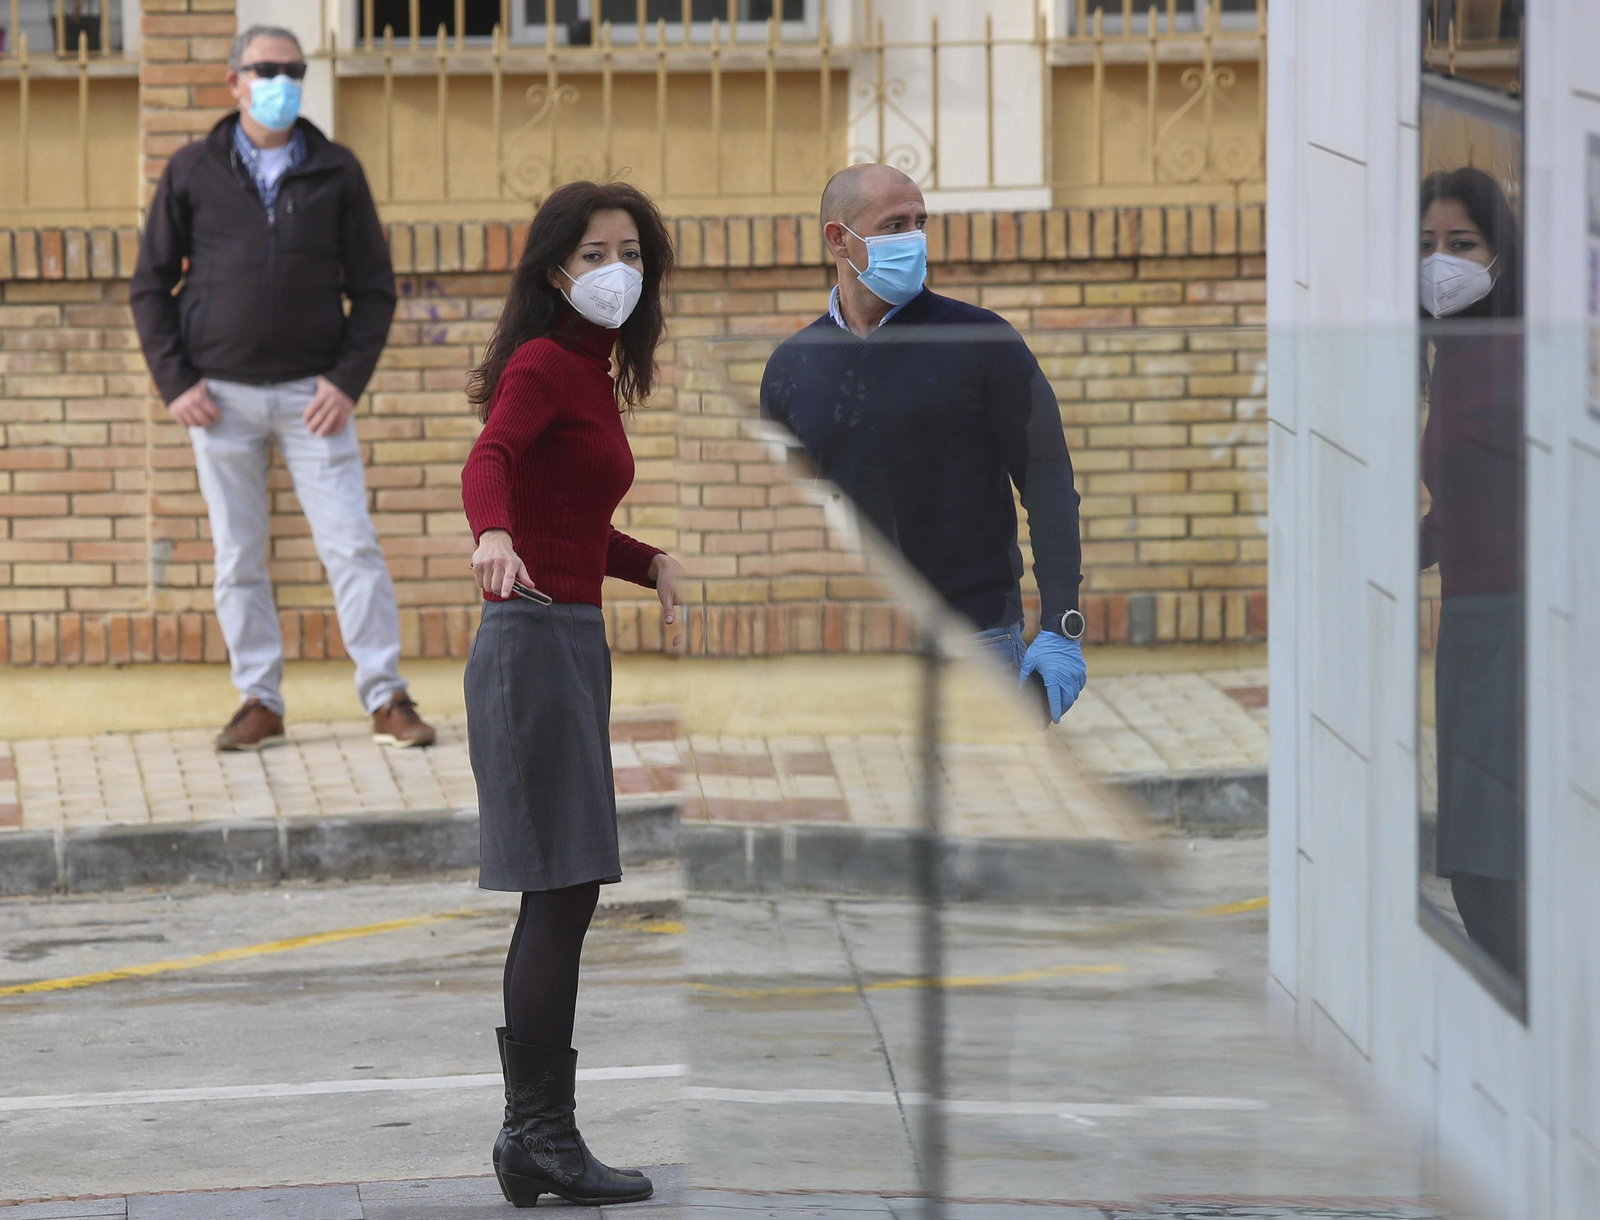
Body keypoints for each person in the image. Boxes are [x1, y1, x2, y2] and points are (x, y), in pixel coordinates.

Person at [460, 180, 685, 1207]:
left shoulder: (591, 376)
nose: (615, 271)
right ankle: (537, 1136)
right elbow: (493, 459)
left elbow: (573, 515)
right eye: (595, 254)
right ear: (556, 270)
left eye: (630, 253)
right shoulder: (543, 365)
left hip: (571, 639)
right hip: (532, 639)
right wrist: (492, 532)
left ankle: (537, 1137)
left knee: (569, 886)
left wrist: (650, 563)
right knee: (559, 887)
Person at [130, 25, 434, 752]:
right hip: (219, 399)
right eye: (267, 70)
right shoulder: (193, 169)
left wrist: (346, 381)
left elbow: (375, 289)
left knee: (351, 545)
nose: (282, 82)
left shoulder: (337, 169)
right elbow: (149, 286)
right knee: (238, 556)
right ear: (234, 80)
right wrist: (176, 381)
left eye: (293, 70)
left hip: (313, 399)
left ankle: (387, 695)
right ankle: (260, 700)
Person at [760, 164, 1087, 721]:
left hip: (975, 644)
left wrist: (1061, 625)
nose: (913, 238)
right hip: (848, 653)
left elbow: (1047, 479)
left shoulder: (981, 341)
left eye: (920, 222)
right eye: (894, 225)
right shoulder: (793, 366)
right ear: (839, 239)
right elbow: (784, 518)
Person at [1418, 166, 1525, 978]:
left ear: (1499, 255)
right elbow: (1463, 501)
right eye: (1426, 244)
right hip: (1467, 623)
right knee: (1473, 864)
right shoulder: (1448, 356)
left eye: (1461, 243)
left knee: (1495, 870)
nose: (1440, 263)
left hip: (1522, 622)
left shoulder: (1527, 351)